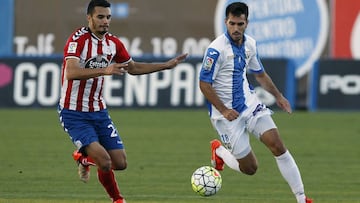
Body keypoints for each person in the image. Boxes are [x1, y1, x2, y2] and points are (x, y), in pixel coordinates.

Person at [57, 0, 187, 203]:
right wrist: (105, 69)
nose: (105, 21)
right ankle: (117, 199)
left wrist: (166, 65)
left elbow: (132, 68)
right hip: (74, 113)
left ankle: (82, 158)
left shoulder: (113, 43)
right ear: (89, 17)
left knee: (120, 163)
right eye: (100, 17)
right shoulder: (78, 40)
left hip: (99, 112)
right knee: (105, 162)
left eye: (108, 17)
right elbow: (71, 72)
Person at [199, 2, 312, 203]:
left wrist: (278, 96)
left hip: (249, 105)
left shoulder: (250, 43)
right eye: (232, 23)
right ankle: (220, 151)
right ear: (226, 22)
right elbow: (204, 84)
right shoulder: (216, 50)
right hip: (224, 116)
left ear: (246, 23)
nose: (235, 28)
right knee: (250, 168)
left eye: (240, 24)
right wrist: (224, 110)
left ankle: (302, 198)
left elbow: (259, 74)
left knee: (277, 146)